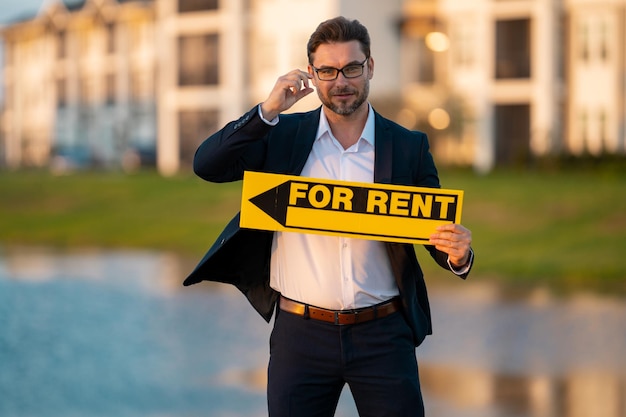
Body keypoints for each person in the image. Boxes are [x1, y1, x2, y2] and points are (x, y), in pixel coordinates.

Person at [184, 16, 474, 417]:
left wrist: (458, 256)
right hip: (300, 336)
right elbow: (207, 164)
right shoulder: (282, 135)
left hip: (383, 334)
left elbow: (433, 233)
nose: (341, 81)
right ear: (311, 74)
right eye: (327, 71)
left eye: (352, 68)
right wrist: (268, 110)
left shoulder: (407, 147)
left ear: (370, 67)